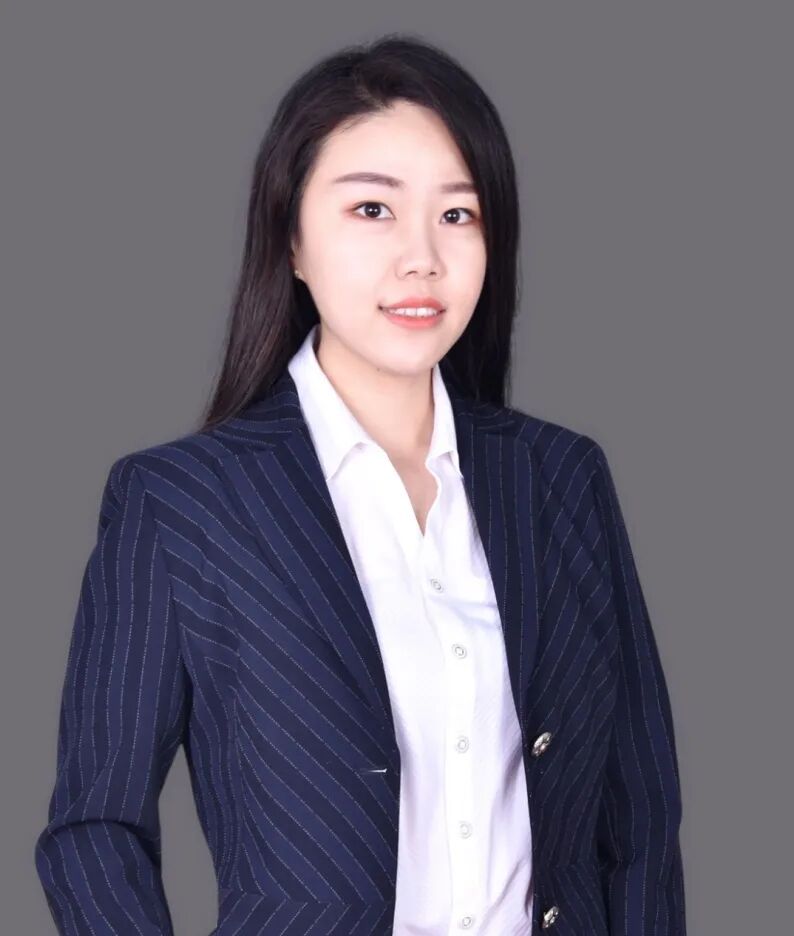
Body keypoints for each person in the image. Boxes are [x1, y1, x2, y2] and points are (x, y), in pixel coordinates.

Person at [34, 33, 686, 936]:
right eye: (372, 209)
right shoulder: (183, 505)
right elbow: (94, 830)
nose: (422, 256)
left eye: (458, 214)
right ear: (291, 239)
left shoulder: (563, 478)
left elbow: (639, 819)